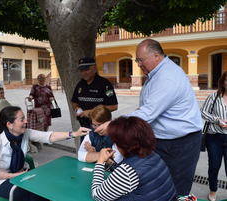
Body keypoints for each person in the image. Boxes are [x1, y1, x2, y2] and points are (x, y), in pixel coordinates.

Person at [96, 39, 203, 196]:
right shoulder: (156, 73)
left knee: (177, 189)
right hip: (163, 139)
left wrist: (114, 125)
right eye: (137, 60)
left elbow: (148, 112)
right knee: (157, 184)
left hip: (180, 143)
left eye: (140, 60)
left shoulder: (167, 77)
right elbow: (146, 107)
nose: (138, 64)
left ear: (156, 56)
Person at [0, 106, 90, 201]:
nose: (26, 121)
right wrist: (15, 176)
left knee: (46, 188)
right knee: (34, 194)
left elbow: (48, 136)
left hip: (23, 174)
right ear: (9, 124)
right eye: (22, 119)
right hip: (2, 181)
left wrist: (74, 133)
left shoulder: (25, 133)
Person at [92, 116, 176, 201]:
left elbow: (98, 196)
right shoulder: (153, 155)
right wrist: (112, 164)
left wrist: (100, 162)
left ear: (123, 145)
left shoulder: (127, 171)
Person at [71, 57, 118, 141]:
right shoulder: (80, 84)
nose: (83, 73)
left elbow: (114, 106)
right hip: (84, 128)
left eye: (86, 70)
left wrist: (91, 112)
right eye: (81, 70)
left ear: (94, 68)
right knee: (86, 151)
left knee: (102, 152)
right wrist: (77, 109)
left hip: (101, 128)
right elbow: (74, 102)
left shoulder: (104, 84)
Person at [201, 71, 227, 201]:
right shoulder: (214, 96)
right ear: (223, 82)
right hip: (214, 138)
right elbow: (203, 113)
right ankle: (213, 190)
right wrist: (217, 120)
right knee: (214, 166)